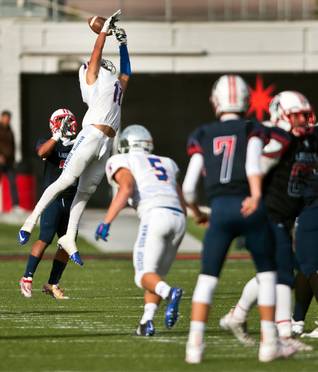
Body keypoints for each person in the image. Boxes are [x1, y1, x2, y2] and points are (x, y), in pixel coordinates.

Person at [183, 75, 296, 363]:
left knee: (207, 279)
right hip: (249, 206)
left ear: (215, 101)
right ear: (245, 101)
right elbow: (252, 164)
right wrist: (256, 196)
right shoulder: (252, 128)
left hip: (219, 209)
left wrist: (197, 213)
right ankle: (269, 344)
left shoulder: (203, 133)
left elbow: (187, 187)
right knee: (268, 274)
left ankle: (194, 346)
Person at [18, 10, 131, 266]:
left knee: (85, 191)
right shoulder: (93, 75)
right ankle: (30, 221)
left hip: (106, 143)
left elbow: (126, 74)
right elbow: (95, 55)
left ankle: (70, 236)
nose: (106, 65)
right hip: (91, 133)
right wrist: (103, 31)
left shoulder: (113, 84)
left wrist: (123, 45)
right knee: (65, 179)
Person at [219, 91, 314, 352]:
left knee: (271, 273)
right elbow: (255, 168)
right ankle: (281, 334)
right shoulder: (275, 138)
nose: (302, 121)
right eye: (295, 116)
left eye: (304, 116)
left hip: (283, 215)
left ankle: (237, 316)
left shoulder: (303, 140)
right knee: (282, 273)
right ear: (281, 115)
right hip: (267, 214)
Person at [95, 125, 186, 336]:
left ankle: (170, 293)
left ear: (126, 144)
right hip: (178, 219)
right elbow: (180, 197)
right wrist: (199, 215)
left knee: (143, 274)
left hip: (155, 215)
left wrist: (107, 221)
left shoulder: (122, 160)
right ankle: (146, 322)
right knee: (155, 275)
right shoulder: (167, 162)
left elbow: (126, 187)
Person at [19, 108, 78, 299]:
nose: (67, 124)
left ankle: (52, 283)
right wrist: (57, 136)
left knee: (67, 245)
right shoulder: (48, 141)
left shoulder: (79, 144)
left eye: (68, 121)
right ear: (55, 123)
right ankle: (27, 277)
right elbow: (42, 152)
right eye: (63, 121)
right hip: (52, 199)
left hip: (71, 200)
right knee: (45, 239)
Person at [0, 110, 20, 211]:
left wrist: (13, 159)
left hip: (9, 162)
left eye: (9, 119)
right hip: (1, 161)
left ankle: (15, 206)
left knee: (13, 182)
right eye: (6, 118)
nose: (8, 120)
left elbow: (12, 146)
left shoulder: (10, 130)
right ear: (2, 117)